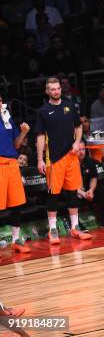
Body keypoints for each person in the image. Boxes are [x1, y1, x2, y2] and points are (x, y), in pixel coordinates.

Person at [36, 78, 92, 244]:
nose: (56, 91)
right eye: (52, 89)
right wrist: (39, 159)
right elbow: (39, 136)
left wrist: (77, 142)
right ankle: (53, 230)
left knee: (72, 192)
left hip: (71, 156)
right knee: (53, 194)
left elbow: (79, 126)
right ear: (47, 92)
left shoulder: (69, 105)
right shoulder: (43, 111)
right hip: (54, 158)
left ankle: (75, 227)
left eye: (58, 88)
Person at [0, 93, 31, 253]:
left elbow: (16, 144)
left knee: (16, 204)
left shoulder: (7, 117)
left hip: (12, 164)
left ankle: (15, 240)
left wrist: (23, 133)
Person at [76, 141, 104, 229]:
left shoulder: (90, 161)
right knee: (70, 195)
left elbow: (93, 178)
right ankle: (76, 223)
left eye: (83, 149)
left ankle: (102, 219)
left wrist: (91, 190)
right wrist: (82, 193)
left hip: (87, 188)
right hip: (74, 189)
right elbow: (67, 185)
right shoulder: (69, 163)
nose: (81, 152)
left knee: (102, 189)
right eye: (79, 150)